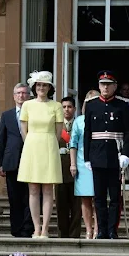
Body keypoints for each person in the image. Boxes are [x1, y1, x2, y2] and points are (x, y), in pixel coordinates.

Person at [84, 70, 129, 239]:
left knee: (114, 198)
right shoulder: (91, 105)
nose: (105, 87)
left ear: (115, 87)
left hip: (115, 155)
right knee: (98, 197)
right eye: (102, 84)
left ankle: (113, 230)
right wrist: (86, 158)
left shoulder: (122, 105)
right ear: (99, 86)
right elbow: (87, 133)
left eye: (108, 84)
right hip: (97, 156)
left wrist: (126, 154)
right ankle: (102, 230)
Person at [17, 71, 63, 239]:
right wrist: (32, 143)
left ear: (49, 87)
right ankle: (36, 227)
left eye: (44, 85)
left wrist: (49, 143)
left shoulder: (56, 106)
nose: (41, 88)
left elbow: (58, 133)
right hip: (32, 146)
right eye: (39, 85)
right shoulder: (27, 105)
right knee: (34, 188)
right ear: (34, 87)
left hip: (49, 145)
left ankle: (45, 228)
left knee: (48, 189)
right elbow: (24, 130)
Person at [0, 83, 34, 238]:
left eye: (24, 93)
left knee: (29, 196)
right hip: (11, 161)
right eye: (18, 93)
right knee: (14, 197)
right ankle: (16, 228)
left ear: (29, 96)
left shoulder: (34, 113)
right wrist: (0, 163)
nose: (21, 96)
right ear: (14, 96)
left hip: (31, 160)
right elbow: (1, 140)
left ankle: (27, 228)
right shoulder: (7, 115)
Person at [70, 90, 100, 239]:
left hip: (99, 162)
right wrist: (73, 164)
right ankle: (88, 229)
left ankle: (98, 230)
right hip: (82, 163)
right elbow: (73, 144)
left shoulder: (102, 118)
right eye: (89, 101)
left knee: (99, 198)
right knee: (85, 198)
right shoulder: (79, 120)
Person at [56, 96, 82, 238]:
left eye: (69, 107)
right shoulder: (57, 126)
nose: (66, 109)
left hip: (77, 170)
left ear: (74, 109)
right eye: (64, 107)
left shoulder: (79, 125)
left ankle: (74, 234)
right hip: (60, 169)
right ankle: (62, 234)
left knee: (77, 207)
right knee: (61, 206)